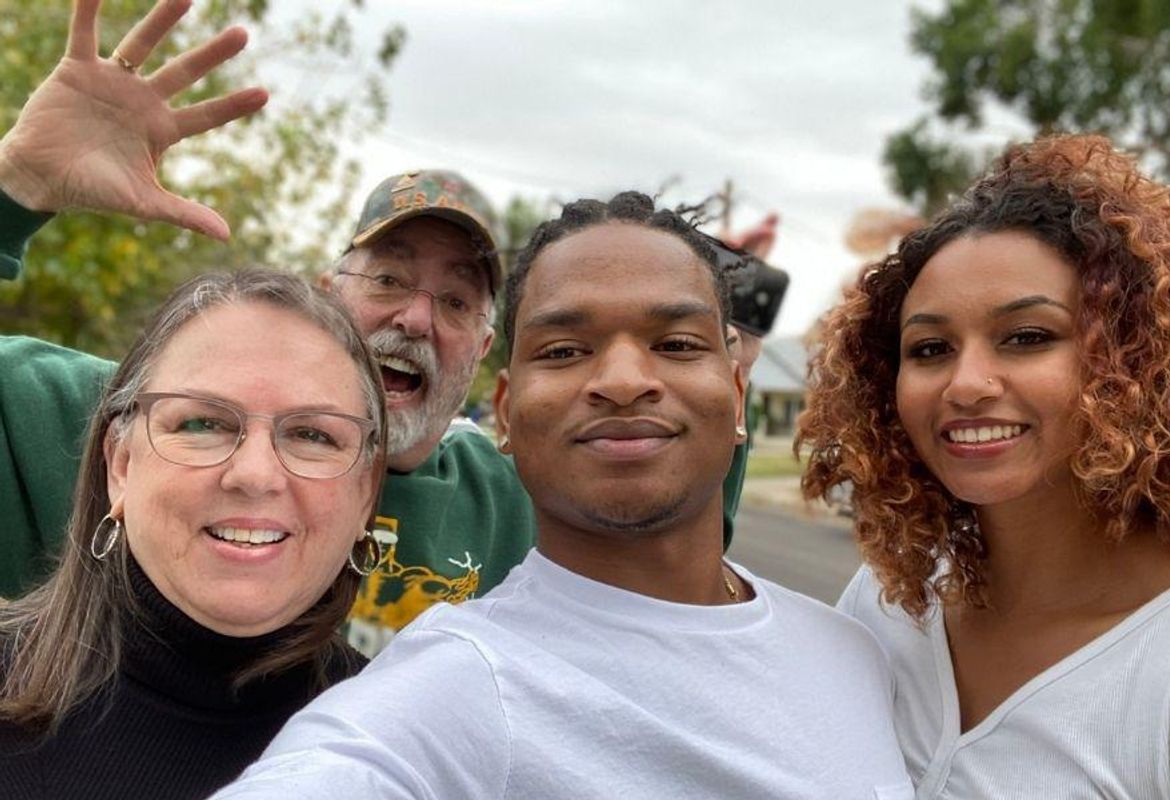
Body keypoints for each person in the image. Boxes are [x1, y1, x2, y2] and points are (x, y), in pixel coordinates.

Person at [0, 2, 759, 653]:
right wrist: (18, 189)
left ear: (486, 352)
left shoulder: (518, 498)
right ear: (326, 294)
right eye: (390, 278)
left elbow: (678, 506)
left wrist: (724, 348)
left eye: (458, 301)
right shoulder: (149, 425)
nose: (418, 317)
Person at [209, 192, 913, 800]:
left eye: (675, 343)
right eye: (563, 350)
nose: (624, 379)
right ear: (507, 413)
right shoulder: (456, 685)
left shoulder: (859, 653)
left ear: (736, 391)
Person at [797, 134, 1170, 797]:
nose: (967, 383)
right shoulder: (891, 601)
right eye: (929, 348)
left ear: (1137, 360)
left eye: (1027, 337)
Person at [0, 268, 388, 799]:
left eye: (312, 434)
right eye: (203, 424)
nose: (254, 475)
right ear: (120, 464)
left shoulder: (408, 745)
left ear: (364, 493)